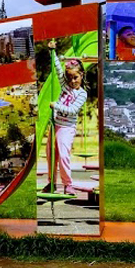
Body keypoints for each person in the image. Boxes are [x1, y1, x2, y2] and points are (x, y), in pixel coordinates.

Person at [48, 39, 88, 195]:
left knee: (64, 155)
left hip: (66, 128)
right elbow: (58, 69)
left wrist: (56, 105)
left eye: (75, 78)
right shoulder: (64, 85)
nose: (72, 81)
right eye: (70, 78)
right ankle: (51, 183)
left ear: (81, 75)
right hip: (55, 124)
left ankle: (68, 184)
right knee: (52, 156)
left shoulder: (82, 94)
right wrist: (52, 52)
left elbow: (72, 110)